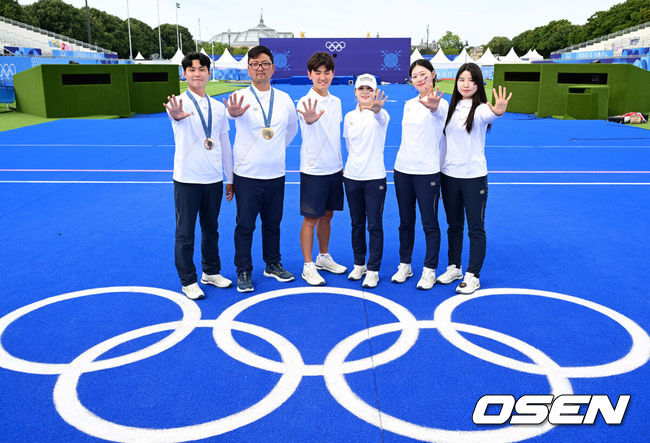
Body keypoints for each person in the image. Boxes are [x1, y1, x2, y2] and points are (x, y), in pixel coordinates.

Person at [224, 45, 299, 293]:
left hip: (276, 174)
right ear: (248, 68)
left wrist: (274, 148)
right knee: (245, 226)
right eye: (255, 64)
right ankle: (243, 269)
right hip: (247, 175)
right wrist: (232, 115)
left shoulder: (285, 99)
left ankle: (272, 263)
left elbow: (291, 130)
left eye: (265, 63)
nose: (260, 68)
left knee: (273, 224)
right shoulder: (239, 98)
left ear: (273, 68)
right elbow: (225, 127)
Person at [163, 52, 234, 300]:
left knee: (211, 228)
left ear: (208, 73)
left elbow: (225, 143)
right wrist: (176, 116)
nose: (197, 73)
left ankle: (211, 272)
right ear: (184, 74)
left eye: (202, 69)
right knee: (185, 231)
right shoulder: (178, 104)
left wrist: (230, 177)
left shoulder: (218, 107)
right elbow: (175, 116)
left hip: (213, 179)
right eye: (192, 69)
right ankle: (188, 279)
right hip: (187, 179)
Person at [437, 62, 511, 294]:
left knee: (475, 228)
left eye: (471, 80)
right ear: (456, 82)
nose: (466, 84)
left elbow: (492, 113)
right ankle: (454, 267)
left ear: (478, 84)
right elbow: (444, 145)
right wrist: (439, 175)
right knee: (453, 226)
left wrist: (498, 111)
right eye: (462, 80)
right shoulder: (450, 109)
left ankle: (473, 275)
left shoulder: (479, 110)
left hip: (473, 178)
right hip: (449, 176)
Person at [391, 59, 448, 290]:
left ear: (433, 75)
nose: (419, 79)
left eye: (423, 74)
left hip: (427, 173)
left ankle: (429, 269)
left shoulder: (442, 104)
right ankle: (405, 264)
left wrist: (433, 107)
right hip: (403, 171)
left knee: (429, 223)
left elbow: (437, 117)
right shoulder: (408, 104)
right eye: (414, 76)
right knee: (405, 222)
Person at [296, 52, 347, 286]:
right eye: (318, 72)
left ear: (333, 74)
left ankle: (323, 257)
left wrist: (341, 165)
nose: (323, 77)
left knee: (328, 215)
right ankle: (308, 265)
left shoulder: (336, 102)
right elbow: (307, 121)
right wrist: (309, 119)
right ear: (309, 75)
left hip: (334, 169)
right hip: (313, 169)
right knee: (311, 219)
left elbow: (334, 136)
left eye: (327, 72)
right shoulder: (305, 103)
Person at [342, 73, 389, 289]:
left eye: (369, 89)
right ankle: (359, 263)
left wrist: (376, 110)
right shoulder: (349, 116)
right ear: (355, 92)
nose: (365, 92)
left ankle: (373, 270)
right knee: (356, 224)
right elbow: (349, 146)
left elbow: (379, 117)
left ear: (375, 91)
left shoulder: (382, 114)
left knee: (374, 225)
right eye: (361, 89)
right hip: (351, 177)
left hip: (374, 178)